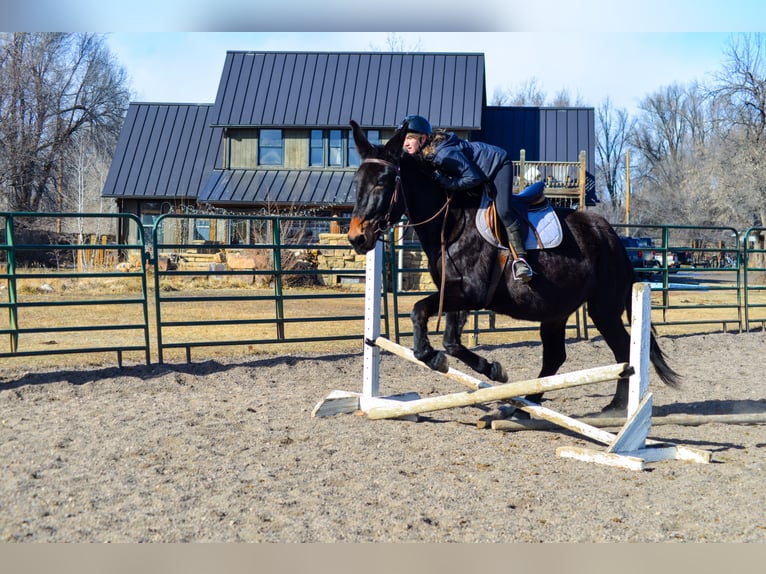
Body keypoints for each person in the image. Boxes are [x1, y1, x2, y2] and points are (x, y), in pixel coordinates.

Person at [399, 114, 532, 282]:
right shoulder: (426, 153)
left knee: (503, 210)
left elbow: (472, 177)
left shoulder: (442, 153)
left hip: (498, 165)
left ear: (423, 138)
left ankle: (521, 260)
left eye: (410, 138)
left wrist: (446, 182)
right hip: (479, 171)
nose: (405, 143)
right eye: (404, 138)